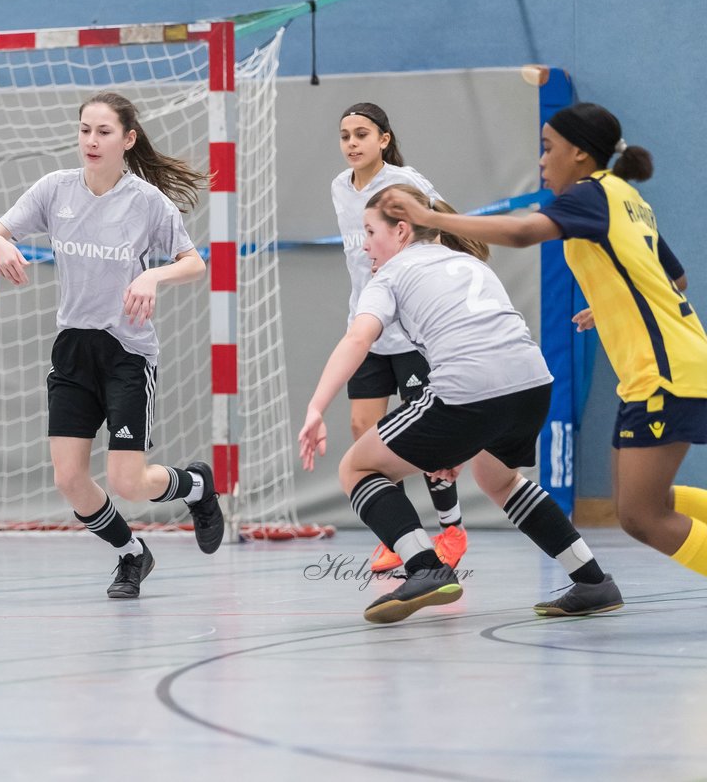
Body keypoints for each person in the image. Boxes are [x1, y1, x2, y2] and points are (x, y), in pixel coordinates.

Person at [379, 101, 707, 582]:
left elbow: (521, 231)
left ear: (578, 153)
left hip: (665, 371)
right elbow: (672, 279)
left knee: (641, 517)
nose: (540, 160)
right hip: (667, 366)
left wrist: (433, 218)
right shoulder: (626, 197)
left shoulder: (589, 195)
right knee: (637, 500)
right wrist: (613, 303)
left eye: (547, 147)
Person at [299, 183, 622, 623]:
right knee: (499, 479)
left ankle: (424, 567)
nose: (363, 245)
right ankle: (592, 580)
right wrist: (454, 445)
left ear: (401, 230)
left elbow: (359, 339)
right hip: (532, 382)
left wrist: (317, 407)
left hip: (472, 389)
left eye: (369, 231)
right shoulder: (467, 261)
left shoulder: (391, 276)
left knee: (355, 468)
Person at [0, 91, 225, 599]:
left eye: (104, 131)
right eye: (85, 129)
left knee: (127, 482)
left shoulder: (146, 202)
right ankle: (131, 554)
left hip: (126, 353)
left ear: (127, 140)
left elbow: (194, 263)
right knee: (68, 478)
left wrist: (155, 276)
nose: (91, 140)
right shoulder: (55, 190)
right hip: (73, 350)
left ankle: (196, 486)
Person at [332, 103, 467, 573]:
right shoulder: (338, 188)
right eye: (345, 135)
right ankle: (402, 534)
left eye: (362, 134)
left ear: (384, 139)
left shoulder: (408, 183)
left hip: (411, 332)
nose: (352, 143)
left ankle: (451, 529)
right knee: (364, 435)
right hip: (368, 327)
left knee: (423, 437)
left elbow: (446, 228)